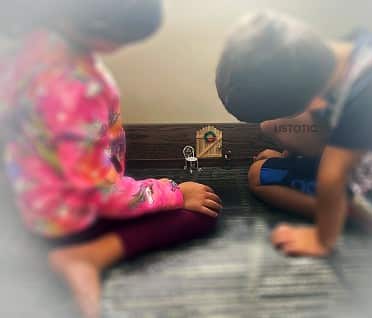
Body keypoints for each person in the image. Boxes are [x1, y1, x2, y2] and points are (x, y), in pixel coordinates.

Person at [0, 1, 222, 317]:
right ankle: (88, 256)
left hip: (31, 196)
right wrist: (172, 192)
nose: (122, 47)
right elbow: (98, 192)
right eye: (123, 38)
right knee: (200, 212)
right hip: (67, 217)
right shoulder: (77, 87)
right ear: (99, 25)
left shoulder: (28, 46)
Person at [216, 11, 372, 257]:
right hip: (370, 159)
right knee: (266, 166)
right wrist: (287, 156)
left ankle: (359, 216)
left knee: (259, 176)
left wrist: (321, 240)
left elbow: (332, 175)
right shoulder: (348, 51)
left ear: (313, 102)